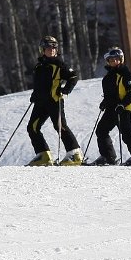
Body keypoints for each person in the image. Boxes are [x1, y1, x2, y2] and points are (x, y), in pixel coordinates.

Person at [27, 35, 83, 166]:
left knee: (60, 126)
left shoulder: (59, 64)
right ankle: (44, 155)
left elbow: (73, 76)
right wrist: (35, 94)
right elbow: (39, 84)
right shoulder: (38, 66)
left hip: (54, 100)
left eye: (54, 47)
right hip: (41, 103)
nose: (52, 50)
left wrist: (65, 90)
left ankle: (75, 154)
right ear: (42, 50)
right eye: (48, 47)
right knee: (32, 128)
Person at [89, 47, 131, 166]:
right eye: (111, 60)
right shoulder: (108, 77)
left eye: (116, 59)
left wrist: (122, 104)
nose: (113, 62)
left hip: (123, 109)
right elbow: (109, 95)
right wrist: (104, 103)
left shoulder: (125, 73)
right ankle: (108, 157)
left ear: (121, 59)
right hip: (110, 109)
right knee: (101, 130)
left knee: (126, 132)